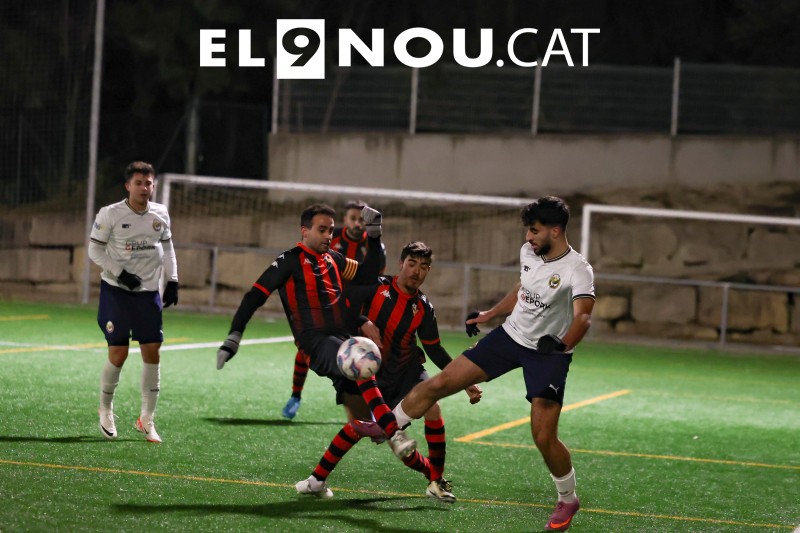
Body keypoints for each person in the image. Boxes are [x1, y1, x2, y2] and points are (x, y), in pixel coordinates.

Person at [390, 197, 594, 531]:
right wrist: (489, 314)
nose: (528, 237)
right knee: (439, 383)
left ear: (555, 231)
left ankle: (568, 499)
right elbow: (523, 287)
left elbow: (583, 317)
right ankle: (389, 425)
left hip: (549, 353)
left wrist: (562, 345)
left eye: (535, 230)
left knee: (543, 436)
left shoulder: (578, 269)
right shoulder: (529, 252)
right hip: (509, 337)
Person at [216, 203, 416, 459]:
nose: (328, 236)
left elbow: (367, 275)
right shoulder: (289, 261)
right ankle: (394, 432)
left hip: (342, 338)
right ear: (305, 231)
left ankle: (321, 476)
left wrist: (375, 234)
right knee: (361, 361)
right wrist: (234, 337)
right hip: (315, 343)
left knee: (360, 411)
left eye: (331, 230)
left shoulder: (333, 258)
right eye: (322, 230)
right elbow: (254, 296)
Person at [295, 242, 482, 501]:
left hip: (408, 372)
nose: (416, 271)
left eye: (423, 267)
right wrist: (362, 321)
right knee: (364, 429)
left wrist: (464, 380)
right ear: (401, 264)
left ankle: (436, 481)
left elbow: (435, 349)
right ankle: (317, 479)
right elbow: (341, 306)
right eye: (412, 264)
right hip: (373, 376)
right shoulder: (376, 286)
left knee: (433, 407)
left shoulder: (424, 307)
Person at [89, 161, 179, 444]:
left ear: (154, 186)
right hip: (116, 291)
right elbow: (94, 250)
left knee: (153, 353)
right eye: (138, 183)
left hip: (148, 294)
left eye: (148, 183)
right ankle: (105, 409)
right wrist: (120, 273)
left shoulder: (160, 213)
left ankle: (147, 419)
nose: (144, 188)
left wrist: (172, 280)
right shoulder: (110, 214)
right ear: (128, 186)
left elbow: (167, 248)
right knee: (118, 354)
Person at [282, 200, 387, 420]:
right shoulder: (331, 237)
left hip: (357, 306)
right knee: (307, 350)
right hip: (330, 304)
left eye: (361, 219)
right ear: (345, 219)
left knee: (364, 352)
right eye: (353, 218)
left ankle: (367, 409)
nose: (357, 223)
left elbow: (373, 279)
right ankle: (295, 395)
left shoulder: (375, 247)